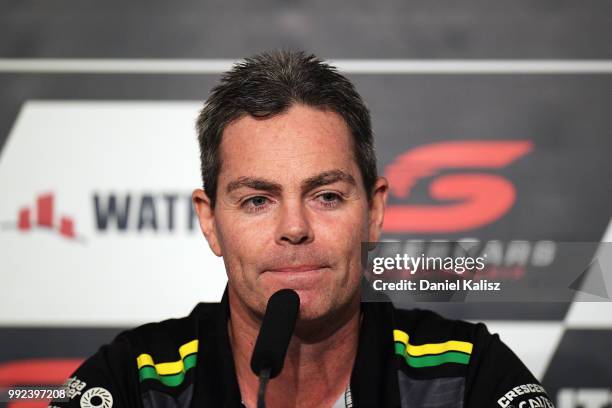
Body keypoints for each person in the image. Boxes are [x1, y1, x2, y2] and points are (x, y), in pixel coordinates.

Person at [51, 50, 554, 408]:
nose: (295, 228)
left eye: (327, 196)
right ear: (209, 221)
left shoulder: (466, 375)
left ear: (374, 211)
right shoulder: (134, 382)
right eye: (257, 200)